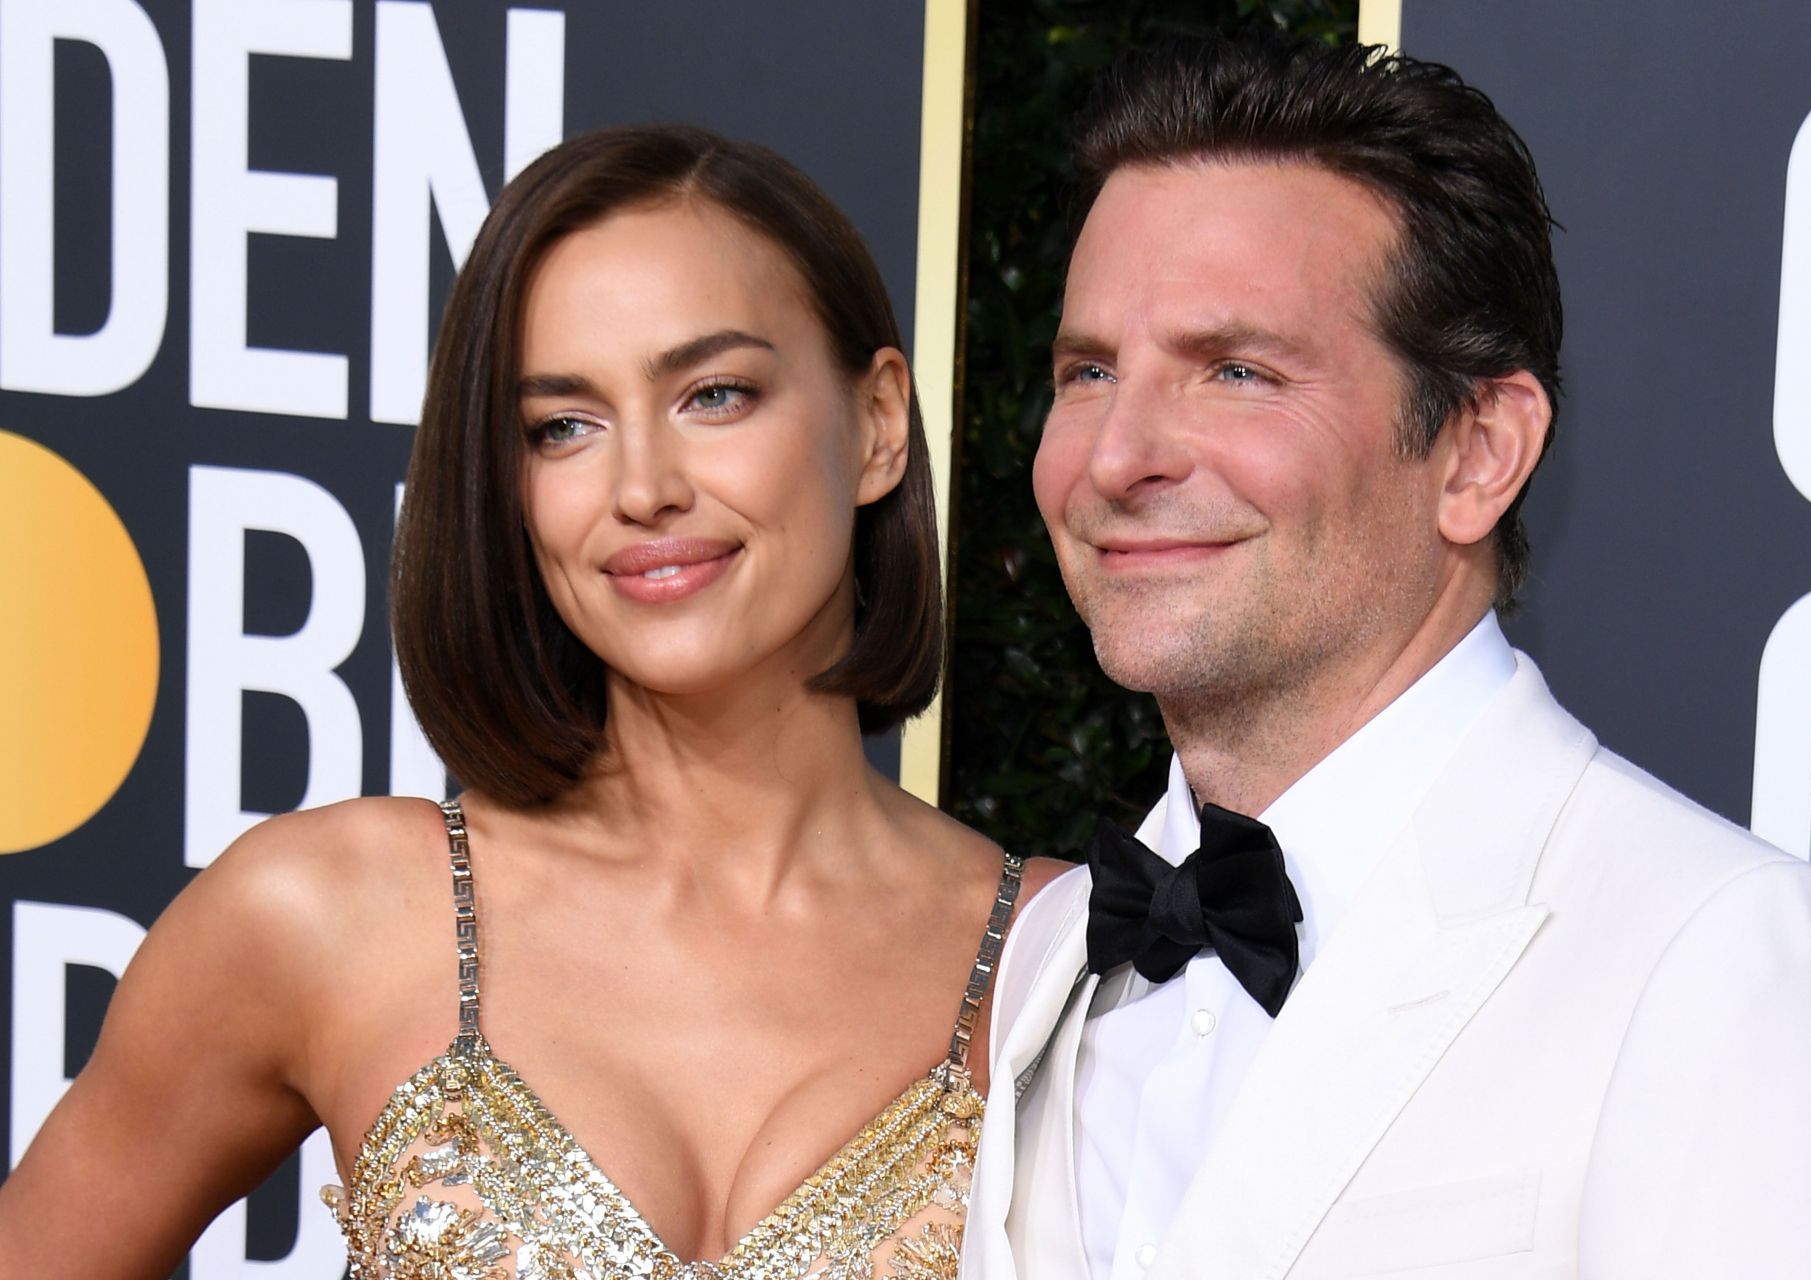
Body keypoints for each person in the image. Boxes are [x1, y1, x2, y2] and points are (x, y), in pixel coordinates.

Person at [0, 124, 1066, 1279]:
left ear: (877, 424)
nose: (644, 488)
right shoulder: (327, 912)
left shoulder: (1057, 963)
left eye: (715, 394)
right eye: (564, 426)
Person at [960, 33, 1811, 1280]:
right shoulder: (1058, 951)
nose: (1114, 455)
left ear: (1477, 452)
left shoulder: (1733, 960)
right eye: (1089, 370)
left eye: (1237, 371)